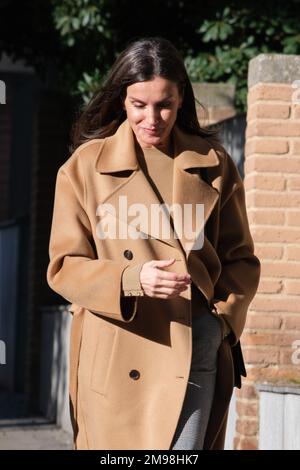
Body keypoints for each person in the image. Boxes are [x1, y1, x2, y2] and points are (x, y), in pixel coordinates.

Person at [47, 37, 260, 450]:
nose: (152, 118)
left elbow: (241, 259)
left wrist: (219, 325)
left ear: (181, 99)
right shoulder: (85, 168)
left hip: (191, 346)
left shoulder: (212, 164)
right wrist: (131, 278)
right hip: (117, 351)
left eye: (164, 104)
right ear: (121, 101)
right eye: (139, 104)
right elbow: (63, 267)